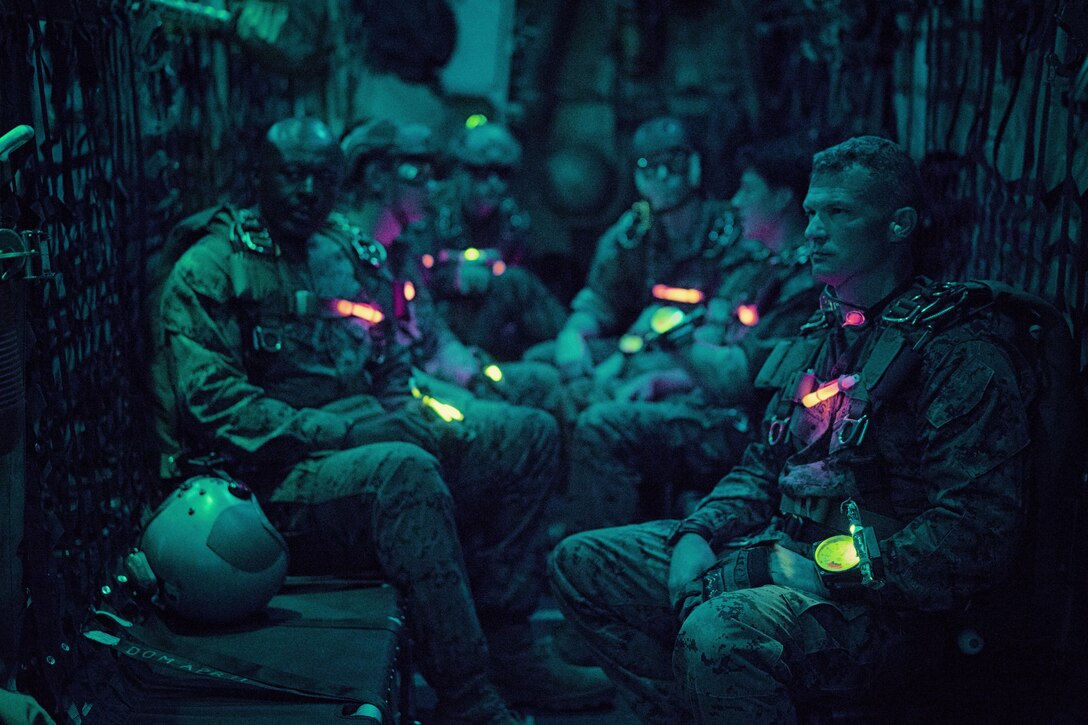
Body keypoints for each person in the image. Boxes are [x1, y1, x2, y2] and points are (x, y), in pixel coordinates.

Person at [548, 136, 1033, 723]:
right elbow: (764, 463)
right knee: (582, 562)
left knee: (720, 633)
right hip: (779, 548)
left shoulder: (957, 352)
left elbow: (974, 533)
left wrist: (832, 572)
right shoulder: (821, 334)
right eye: (811, 212)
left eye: (838, 212)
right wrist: (700, 531)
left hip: (883, 608)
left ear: (898, 225)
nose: (815, 231)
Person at [154, 117, 613, 723]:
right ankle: (468, 695)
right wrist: (346, 431)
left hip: (361, 441)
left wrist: (404, 413)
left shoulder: (350, 256)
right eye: (291, 175)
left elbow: (390, 360)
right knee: (405, 470)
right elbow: (213, 401)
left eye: (321, 178)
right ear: (260, 177)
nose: (307, 192)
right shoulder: (214, 268)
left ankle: (510, 645)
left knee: (527, 436)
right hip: (263, 481)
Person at [561, 134, 821, 534]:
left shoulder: (804, 283)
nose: (737, 201)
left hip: (748, 428)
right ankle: (616, 537)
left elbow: (740, 378)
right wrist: (663, 378)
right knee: (584, 390)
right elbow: (720, 343)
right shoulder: (760, 267)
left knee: (603, 425)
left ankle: (602, 548)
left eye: (748, 189)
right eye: (649, 168)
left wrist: (671, 336)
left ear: (782, 196)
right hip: (706, 399)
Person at [541, 116, 764, 397]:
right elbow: (600, 300)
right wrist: (573, 335)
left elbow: (726, 331)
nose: (662, 176)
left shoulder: (732, 231)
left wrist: (633, 362)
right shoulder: (633, 233)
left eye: (673, 163)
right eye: (649, 166)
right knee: (546, 359)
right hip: (640, 344)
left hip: (699, 356)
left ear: (695, 165)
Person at [424, 120, 567, 361]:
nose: (494, 184)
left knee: (518, 282)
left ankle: (570, 344)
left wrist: (492, 277)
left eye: (502, 174)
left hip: (490, 313)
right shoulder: (432, 210)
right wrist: (454, 277)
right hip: (439, 315)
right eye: (482, 173)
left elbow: (519, 278)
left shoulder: (513, 221)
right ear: (462, 172)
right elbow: (411, 272)